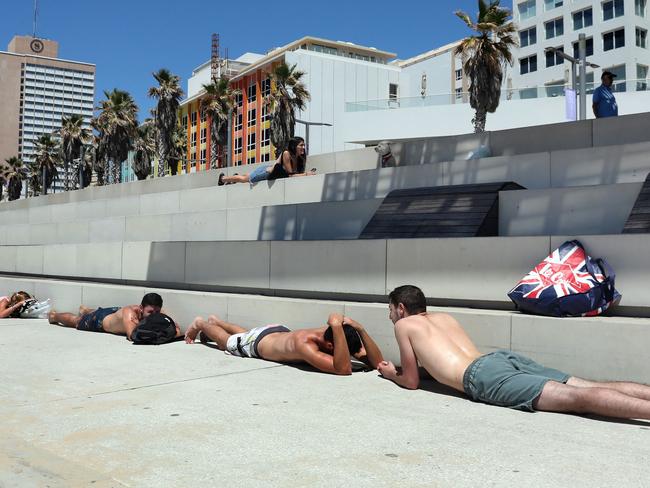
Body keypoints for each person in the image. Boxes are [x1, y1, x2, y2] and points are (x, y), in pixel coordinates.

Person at [378, 285, 650, 420]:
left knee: (579, 399)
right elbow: (442, 365)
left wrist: (392, 374)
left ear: (401, 308)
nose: (390, 316)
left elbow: (411, 381)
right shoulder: (443, 318)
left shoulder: (404, 325)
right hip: (496, 360)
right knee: (587, 385)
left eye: (390, 310)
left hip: (483, 377)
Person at [184, 312, 384, 375]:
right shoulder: (305, 345)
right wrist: (336, 326)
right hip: (259, 344)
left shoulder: (337, 335)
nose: (349, 354)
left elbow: (377, 363)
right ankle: (201, 323)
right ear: (331, 346)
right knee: (226, 342)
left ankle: (217, 321)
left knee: (245, 334)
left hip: (276, 333)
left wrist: (361, 329)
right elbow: (343, 370)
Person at [48, 292, 180, 341]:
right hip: (100, 321)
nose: (154, 316)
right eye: (150, 313)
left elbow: (176, 330)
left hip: (115, 312)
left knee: (99, 313)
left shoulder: (157, 313)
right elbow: (132, 335)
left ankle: (86, 309)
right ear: (141, 308)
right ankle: (54, 316)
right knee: (77, 321)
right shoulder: (130, 314)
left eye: (157, 312)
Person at [217, 137, 315, 186]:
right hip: (265, 173)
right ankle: (223, 179)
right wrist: (307, 174)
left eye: (303, 145)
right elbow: (290, 175)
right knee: (244, 179)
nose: (303, 147)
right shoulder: (287, 154)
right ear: (294, 146)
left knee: (245, 176)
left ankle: (232, 178)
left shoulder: (299, 157)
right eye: (301, 145)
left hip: (269, 170)